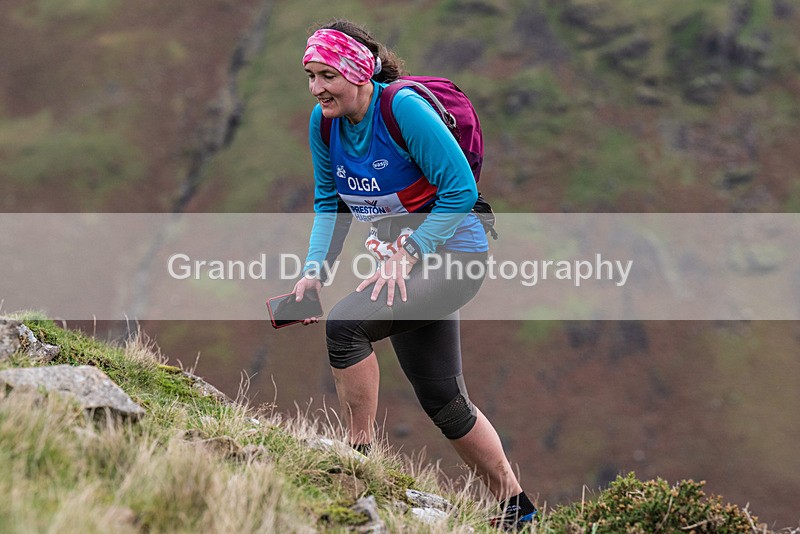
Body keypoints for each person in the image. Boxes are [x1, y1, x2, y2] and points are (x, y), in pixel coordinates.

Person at [292, 19, 537, 529]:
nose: (317, 89)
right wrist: (314, 270)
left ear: (358, 72)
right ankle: (519, 511)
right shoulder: (324, 123)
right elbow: (328, 202)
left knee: (347, 326)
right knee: (444, 401)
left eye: (326, 76)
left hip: (454, 257)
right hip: (401, 265)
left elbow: (460, 189)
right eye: (310, 76)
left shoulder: (402, 109)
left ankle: (356, 461)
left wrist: (413, 249)